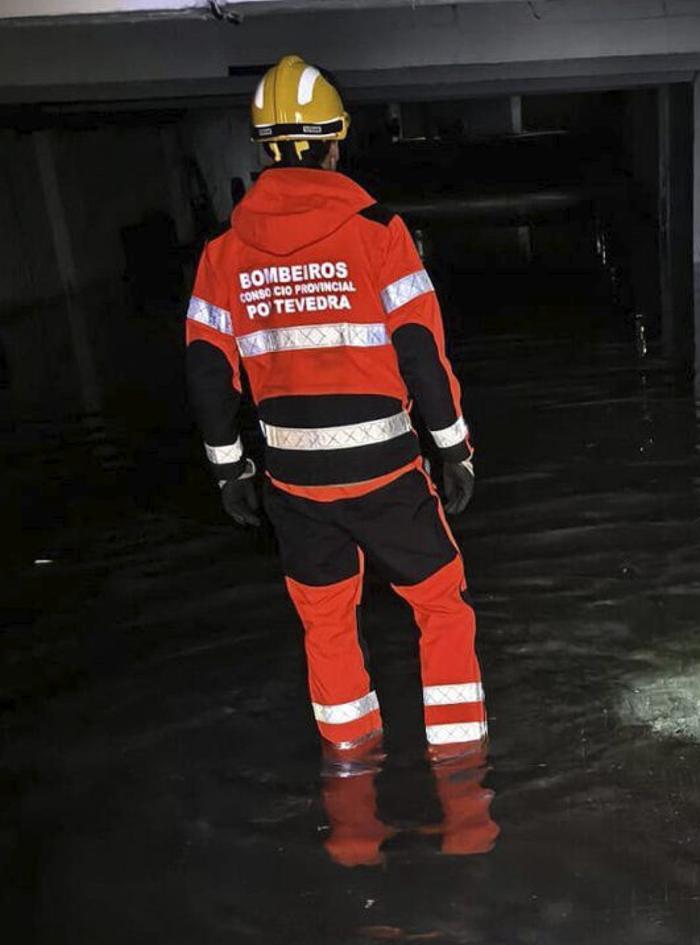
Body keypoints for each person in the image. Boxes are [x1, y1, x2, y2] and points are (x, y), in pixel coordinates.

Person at [184, 55, 487, 760]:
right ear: (334, 141)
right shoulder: (378, 231)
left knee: (324, 621)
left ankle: (351, 786)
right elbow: (420, 350)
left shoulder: (223, 252)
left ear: (264, 150)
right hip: (385, 468)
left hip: (293, 480)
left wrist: (230, 473)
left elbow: (208, 371)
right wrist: (455, 449)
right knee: (440, 605)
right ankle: (462, 779)